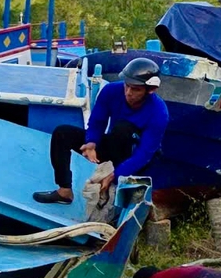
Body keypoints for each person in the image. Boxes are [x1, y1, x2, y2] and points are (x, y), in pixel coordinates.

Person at [34, 54, 169, 204]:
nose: (128, 93)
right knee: (62, 133)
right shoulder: (111, 91)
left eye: (136, 89)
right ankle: (64, 191)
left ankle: (119, 189)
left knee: (122, 128)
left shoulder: (159, 112)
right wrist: (91, 142)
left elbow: (144, 154)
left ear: (150, 90)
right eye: (127, 85)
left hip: (137, 157)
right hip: (115, 144)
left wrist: (114, 175)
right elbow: (97, 121)